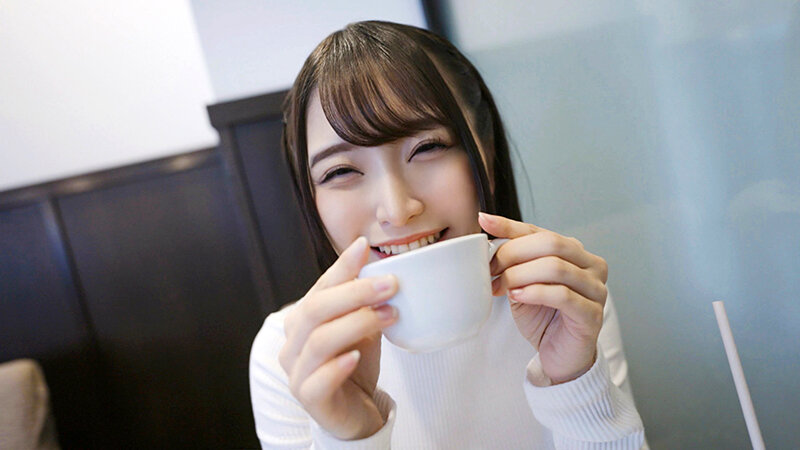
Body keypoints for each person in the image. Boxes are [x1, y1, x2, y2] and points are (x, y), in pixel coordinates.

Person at [250, 20, 646, 448]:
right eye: (340, 171)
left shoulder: (557, 299)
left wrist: (575, 381)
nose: (397, 210)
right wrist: (351, 435)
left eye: (428, 147)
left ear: (485, 153)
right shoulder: (289, 354)